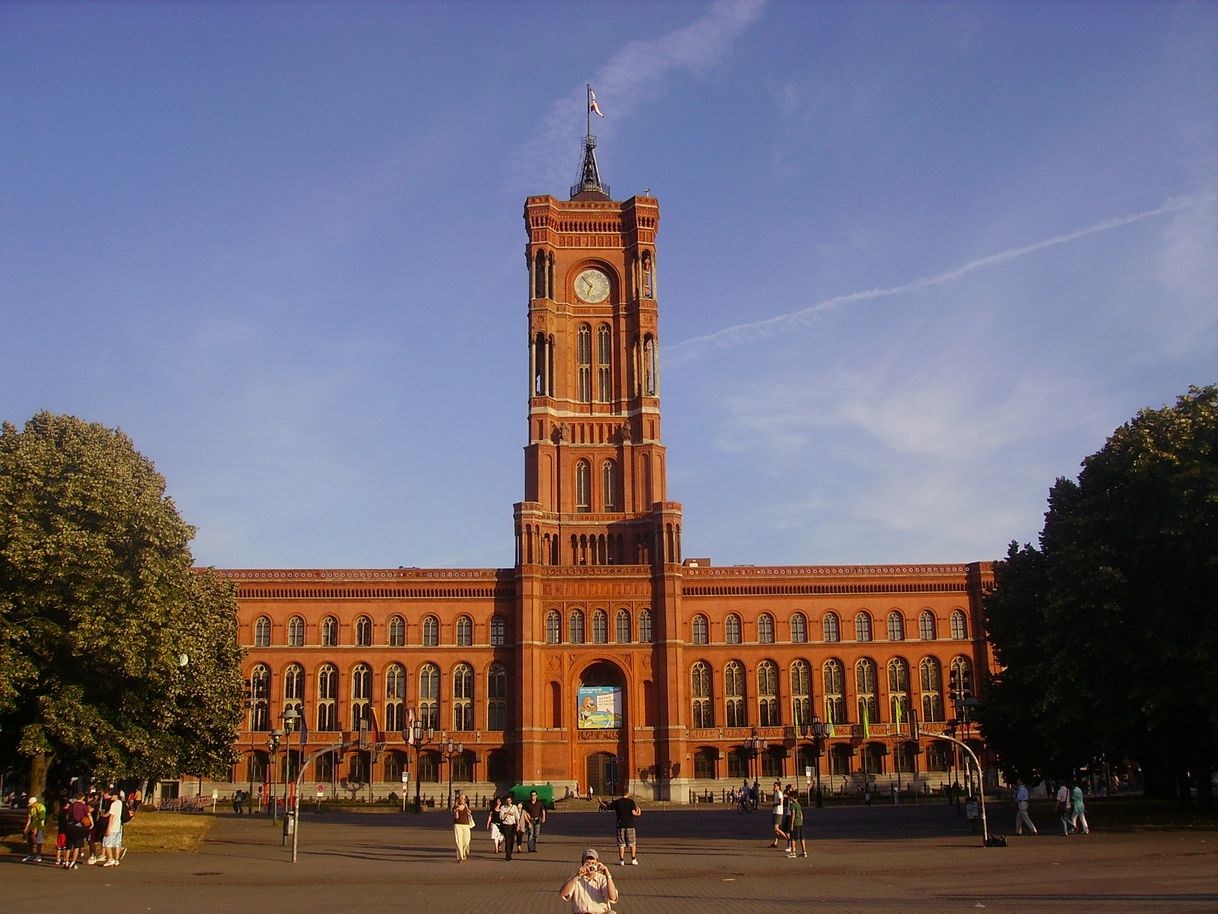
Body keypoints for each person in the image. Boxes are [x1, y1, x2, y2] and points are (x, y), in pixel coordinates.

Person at [559, 847, 620, 914]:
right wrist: (576, 876)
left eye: (593, 863)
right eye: (588, 863)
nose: (591, 866)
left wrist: (608, 876)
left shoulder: (602, 878)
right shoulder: (576, 878)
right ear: (583, 864)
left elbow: (613, 897)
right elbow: (563, 893)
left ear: (597, 864)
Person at [602, 787, 641, 865]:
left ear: (621, 793)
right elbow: (633, 812)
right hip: (630, 824)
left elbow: (607, 807)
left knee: (621, 843)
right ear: (628, 793)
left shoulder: (617, 802)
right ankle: (633, 859)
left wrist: (600, 802)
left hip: (620, 825)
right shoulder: (631, 802)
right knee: (632, 843)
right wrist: (639, 813)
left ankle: (621, 860)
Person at [64, 790, 91, 870]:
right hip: (80, 827)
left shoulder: (72, 806)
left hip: (71, 826)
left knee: (68, 846)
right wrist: (91, 824)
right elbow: (88, 815)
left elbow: (68, 815)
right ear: (82, 797)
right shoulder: (84, 806)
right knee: (77, 846)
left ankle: (66, 861)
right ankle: (73, 862)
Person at [102, 788, 124, 866]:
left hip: (113, 826)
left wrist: (108, 828)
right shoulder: (120, 803)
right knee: (117, 844)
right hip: (118, 827)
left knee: (107, 843)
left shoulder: (114, 804)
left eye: (112, 795)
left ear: (115, 795)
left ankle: (111, 859)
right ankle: (116, 860)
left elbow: (111, 816)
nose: (111, 797)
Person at [22, 795, 46, 863]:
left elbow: (41, 818)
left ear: (35, 803)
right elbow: (29, 819)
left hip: (40, 826)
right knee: (30, 841)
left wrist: (36, 828)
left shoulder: (41, 807)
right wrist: (26, 827)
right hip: (32, 826)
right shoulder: (31, 808)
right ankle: (30, 855)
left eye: (32, 804)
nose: (31, 806)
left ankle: (39, 855)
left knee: (39, 841)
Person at [785, 787, 807, 858]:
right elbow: (801, 814)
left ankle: (793, 852)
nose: (789, 798)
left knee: (793, 838)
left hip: (795, 823)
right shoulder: (798, 804)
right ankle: (804, 851)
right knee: (802, 838)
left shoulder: (792, 805)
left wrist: (791, 824)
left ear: (792, 797)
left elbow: (793, 814)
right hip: (800, 823)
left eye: (790, 796)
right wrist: (801, 821)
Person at [452, 793, 473, 862]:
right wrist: (457, 810)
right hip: (458, 825)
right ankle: (459, 857)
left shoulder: (466, 805)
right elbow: (456, 817)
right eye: (461, 798)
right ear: (459, 799)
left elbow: (468, 814)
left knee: (466, 841)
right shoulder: (455, 807)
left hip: (466, 824)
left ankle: (464, 851)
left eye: (464, 799)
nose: (462, 800)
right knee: (459, 841)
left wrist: (469, 813)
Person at [499, 794, 520, 860]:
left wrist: (518, 824)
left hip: (513, 825)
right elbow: (501, 818)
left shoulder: (514, 807)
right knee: (507, 840)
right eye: (507, 801)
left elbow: (517, 816)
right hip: (506, 825)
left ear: (511, 801)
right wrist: (507, 813)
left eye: (510, 800)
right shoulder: (502, 807)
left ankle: (510, 852)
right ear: (505, 801)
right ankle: (508, 855)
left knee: (512, 840)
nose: (508, 802)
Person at [769, 781, 786, 847]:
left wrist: (774, 804)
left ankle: (788, 838)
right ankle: (775, 842)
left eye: (775, 786)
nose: (774, 787)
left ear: (778, 786)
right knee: (775, 829)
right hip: (775, 811)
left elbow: (780, 802)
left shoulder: (779, 793)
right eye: (774, 786)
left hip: (778, 812)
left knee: (776, 828)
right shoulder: (776, 793)